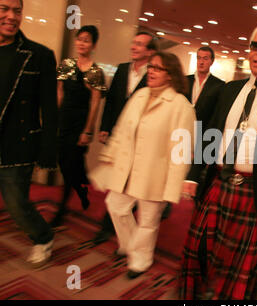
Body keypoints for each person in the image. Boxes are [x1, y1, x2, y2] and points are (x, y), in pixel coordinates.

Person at [179, 21, 257, 300]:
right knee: (197, 252)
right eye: (255, 46)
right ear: (248, 51)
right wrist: (191, 175)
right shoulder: (230, 90)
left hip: (254, 193)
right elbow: (208, 136)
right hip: (218, 183)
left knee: (236, 268)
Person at [89, 52, 196, 279]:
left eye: (158, 68)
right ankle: (129, 245)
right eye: (151, 67)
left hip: (155, 174)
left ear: (170, 75)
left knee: (148, 221)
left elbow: (181, 153)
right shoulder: (139, 96)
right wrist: (110, 155)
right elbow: (121, 128)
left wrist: (173, 186)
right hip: (127, 169)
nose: (152, 71)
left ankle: (141, 260)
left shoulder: (181, 106)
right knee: (115, 206)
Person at [0, 0, 57, 267]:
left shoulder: (39, 55)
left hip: (17, 143)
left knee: (17, 205)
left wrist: (48, 146)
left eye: (17, 10)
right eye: (4, 9)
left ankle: (43, 237)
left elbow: (49, 105)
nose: (12, 16)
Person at [91, 32, 157, 246]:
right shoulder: (121, 69)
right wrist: (105, 127)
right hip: (119, 136)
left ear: (149, 51)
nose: (134, 47)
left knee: (127, 187)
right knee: (117, 186)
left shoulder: (153, 75)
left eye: (140, 44)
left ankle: (116, 228)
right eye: (134, 43)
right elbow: (110, 102)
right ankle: (108, 227)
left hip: (140, 141)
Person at [50, 25, 106, 228]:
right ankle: (81, 187)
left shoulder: (95, 72)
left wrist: (88, 130)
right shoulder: (66, 64)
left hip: (80, 123)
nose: (82, 43)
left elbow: (95, 103)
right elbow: (59, 92)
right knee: (65, 161)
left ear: (93, 45)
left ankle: (61, 209)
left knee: (70, 162)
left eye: (87, 40)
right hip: (64, 120)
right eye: (79, 39)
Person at [186, 46, 225, 126]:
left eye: (205, 58)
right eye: (199, 58)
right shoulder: (185, 80)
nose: (201, 62)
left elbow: (217, 113)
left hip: (203, 129)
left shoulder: (219, 85)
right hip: (183, 126)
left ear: (212, 61)